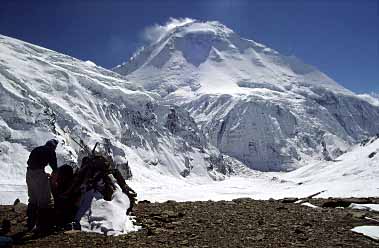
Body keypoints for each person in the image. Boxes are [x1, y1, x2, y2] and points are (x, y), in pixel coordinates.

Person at [26, 139, 58, 232]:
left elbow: (31, 162)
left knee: (33, 198)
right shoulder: (51, 151)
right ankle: (43, 225)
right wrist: (53, 180)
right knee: (44, 199)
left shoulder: (37, 149)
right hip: (39, 174)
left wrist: (43, 173)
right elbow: (55, 168)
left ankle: (30, 223)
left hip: (29, 173)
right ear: (54, 147)